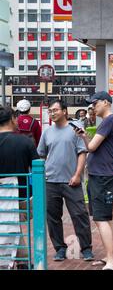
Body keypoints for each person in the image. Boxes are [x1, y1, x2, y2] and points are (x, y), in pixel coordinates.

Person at [37, 99, 94, 262]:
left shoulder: (74, 129)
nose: (52, 113)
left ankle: (86, 248)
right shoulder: (47, 132)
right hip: (51, 181)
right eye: (50, 111)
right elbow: (41, 154)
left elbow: (82, 153)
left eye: (55, 110)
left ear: (64, 111)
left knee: (80, 214)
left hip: (71, 181)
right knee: (53, 217)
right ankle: (60, 249)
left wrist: (77, 175)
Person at [74, 91, 113, 270]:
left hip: (103, 177)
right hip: (100, 175)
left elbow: (92, 147)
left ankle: (111, 261)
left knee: (101, 218)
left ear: (105, 102)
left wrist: (84, 137)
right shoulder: (107, 121)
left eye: (95, 103)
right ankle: (112, 255)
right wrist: (84, 136)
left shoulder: (109, 120)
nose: (93, 107)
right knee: (104, 217)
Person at [0, 106, 40, 269]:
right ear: (12, 119)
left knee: (10, 227)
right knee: (12, 225)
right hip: (20, 197)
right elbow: (37, 168)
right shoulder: (25, 141)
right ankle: (22, 263)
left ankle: (22, 261)